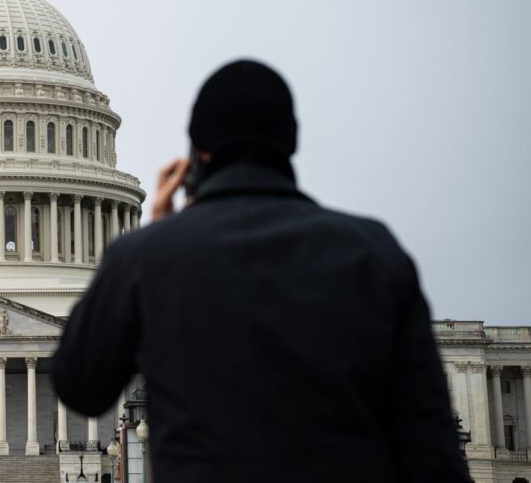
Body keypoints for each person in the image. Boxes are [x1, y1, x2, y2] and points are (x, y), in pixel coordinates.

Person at [52, 59, 470, 482]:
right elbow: (433, 451)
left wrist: (149, 244)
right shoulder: (374, 255)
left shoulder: (148, 260)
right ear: (290, 143)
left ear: (197, 157)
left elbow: (79, 384)